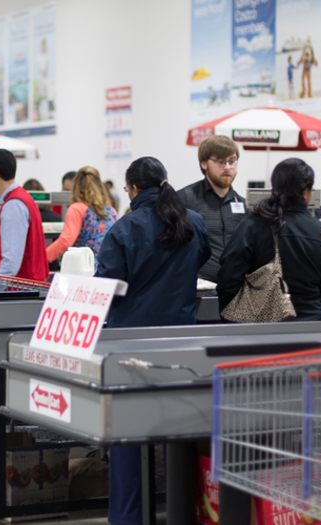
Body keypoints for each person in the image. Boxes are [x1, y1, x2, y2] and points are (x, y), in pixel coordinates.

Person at [95, 156, 211, 525]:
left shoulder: (124, 229)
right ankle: (184, 509)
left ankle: (128, 518)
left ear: (131, 189)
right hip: (182, 342)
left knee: (128, 436)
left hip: (130, 346)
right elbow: (202, 258)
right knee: (181, 429)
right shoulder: (193, 222)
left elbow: (104, 288)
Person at [217, 158, 321, 320]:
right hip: (309, 328)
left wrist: (234, 309)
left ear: (274, 188)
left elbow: (229, 274)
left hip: (260, 328)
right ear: (306, 193)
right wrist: (308, 308)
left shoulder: (253, 225)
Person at [177, 135, 246, 283]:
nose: (227, 167)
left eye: (232, 161)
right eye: (221, 161)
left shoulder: (243, 205)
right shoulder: (184, 199)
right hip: (198, 291)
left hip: (235, 291)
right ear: (204, 164)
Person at [0, 149, 48, 281]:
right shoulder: (21, 198)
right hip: (27, 288)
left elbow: (10, 263)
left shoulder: (13, 205)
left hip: (20, 292)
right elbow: (13, 247)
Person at [47, 167, 117, 268]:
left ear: (76, 187)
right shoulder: (111, 211)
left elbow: (65, 241)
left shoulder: (77, 209)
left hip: (84, 270)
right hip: (107, 270)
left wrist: (43, 258)